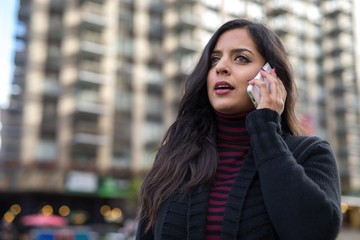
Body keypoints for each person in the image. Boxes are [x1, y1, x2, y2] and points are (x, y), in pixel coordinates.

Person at [136, 18, 342, 240]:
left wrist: (265, 126)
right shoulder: (171, 158)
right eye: (214, 59)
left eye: (241, 58)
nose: (221, 67)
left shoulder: (311, 153)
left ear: (271, 76)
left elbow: (316, 232)